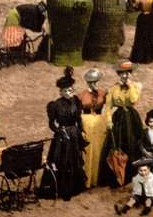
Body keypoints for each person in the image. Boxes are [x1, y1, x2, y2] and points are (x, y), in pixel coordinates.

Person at [41, 68, 87, 201]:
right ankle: (62, 190)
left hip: (74, 135)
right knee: (62, 162)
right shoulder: (55, 105)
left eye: (71, 90)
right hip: (62, 137)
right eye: (66, 91)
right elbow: (51, 124)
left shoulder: (76, 102)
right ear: (60, 92)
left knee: (75, 160)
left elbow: (78, 119)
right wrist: (59, 131)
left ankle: (75, 188)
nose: (69, 93)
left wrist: (82, 131)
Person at [101, 61, 143, 187]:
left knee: (133, 143)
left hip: (131, 117)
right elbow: (108, 107)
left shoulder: (136, 86)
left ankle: (132, 174)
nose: (125, 76)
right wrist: (109, 121)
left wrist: (129, 86)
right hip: (118, 118)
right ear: (119, 75)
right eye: (122, 74)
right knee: (117, 145)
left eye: (127, 73)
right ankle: (117, 174)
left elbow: (133, 100)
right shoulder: (113, 89)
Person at [78, 68, 107, 188]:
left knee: (99, 149)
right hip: (87, 122)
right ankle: (87, 179)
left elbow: (109, 107)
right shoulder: (81, 95)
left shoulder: (103, 93)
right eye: (90, 82)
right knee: (88, 149)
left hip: (100, 123)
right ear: (86, 82)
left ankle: (98, 178)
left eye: (95, 81)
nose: (93, 84)